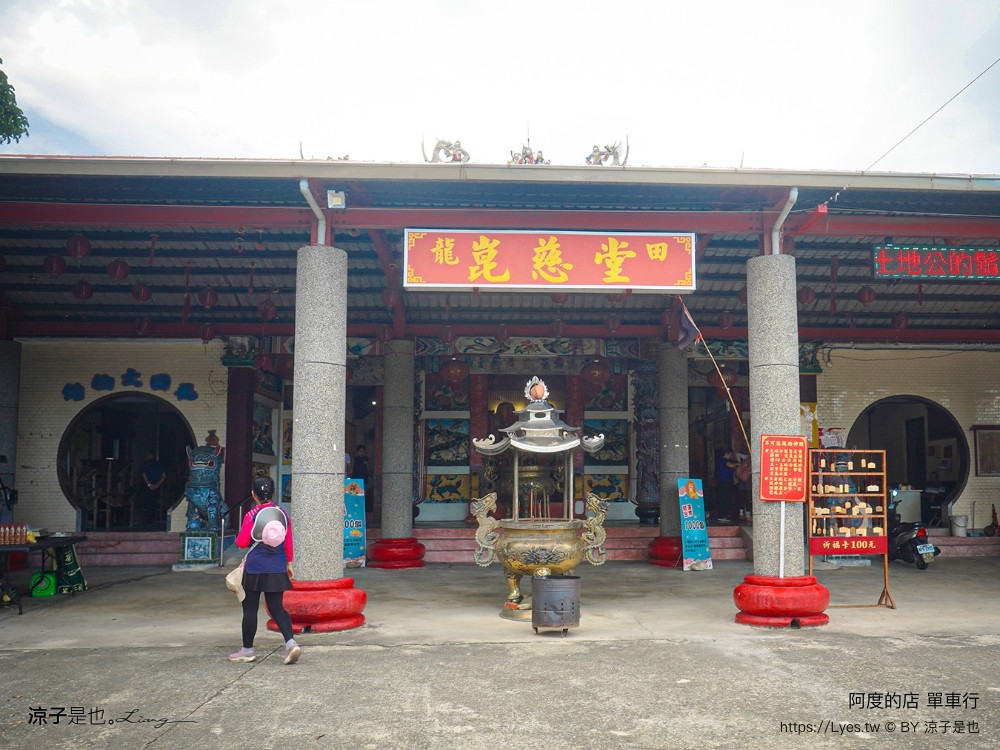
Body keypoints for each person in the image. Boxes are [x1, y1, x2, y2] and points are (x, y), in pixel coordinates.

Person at [229, 475, 300, 665]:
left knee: (250, 609)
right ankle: (291, 643)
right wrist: (289, 563)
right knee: (277, 608)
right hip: (277, 566)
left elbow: (242, 542)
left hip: (255, 567)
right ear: (274, 492)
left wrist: (240, 537)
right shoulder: (283, 514)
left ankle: (247, 650)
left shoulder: (251, 515)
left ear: (254, 495)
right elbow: (289, 541)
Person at [140, 453, 166, 528]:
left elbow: (144, 474)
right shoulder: (159, 464)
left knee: (148, 503)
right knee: (154, 503)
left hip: (148, 486)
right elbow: (164, 475)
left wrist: (148, 484)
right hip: (156, 486)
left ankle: (148, 521)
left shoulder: (145, 464)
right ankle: (152, 520)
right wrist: (158, 484)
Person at [714, 449, 739, 522]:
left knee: (725, 498)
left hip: (725, 481)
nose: (730, 457)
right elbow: (730, 465)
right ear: (727, 453)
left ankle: (724, 514)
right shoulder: (722, 459)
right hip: (724, 482)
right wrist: (737, 464)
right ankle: (722, 515)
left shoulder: (722, 460)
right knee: (724, 498)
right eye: (730, 455)